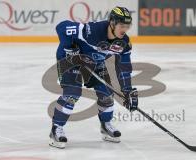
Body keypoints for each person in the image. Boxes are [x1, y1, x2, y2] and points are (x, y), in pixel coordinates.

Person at [49, 6, 138, 149]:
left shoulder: (123, 43)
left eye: (128, 26)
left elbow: (124, 68)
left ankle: (105, 125)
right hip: (70, 60)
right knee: (72, 94)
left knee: (107, 94)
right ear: (113, 23)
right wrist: (69, 47)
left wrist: (127, 90)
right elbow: (62, 27)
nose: (125, 29)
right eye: (122, 25)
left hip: (94, 62)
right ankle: (56, 128)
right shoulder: (92, 31)